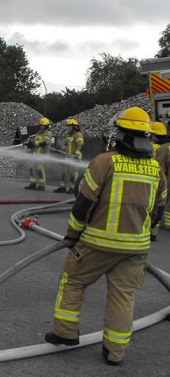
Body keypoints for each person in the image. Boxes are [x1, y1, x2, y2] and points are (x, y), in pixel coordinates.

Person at [44, 107, 166, 366]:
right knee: (123, 296)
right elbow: (159, 210)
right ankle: (115, 351)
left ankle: (65, 332)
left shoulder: (104, 162)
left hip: (98, 244)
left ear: (121, 135)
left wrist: (73, 234)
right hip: (136, 249)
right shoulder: (156, 169)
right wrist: (142, 233)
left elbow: (83, 204)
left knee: (73, 281)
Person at [150, 120, 170, 241]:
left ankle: (153, 231)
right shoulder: (165, 147)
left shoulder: (154, 147)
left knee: (155, 202)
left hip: (153, 176)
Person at [54, 118, 85, 194]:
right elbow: (65, 146)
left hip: (74, 157)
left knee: (73, 173)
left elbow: (80, 146)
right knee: (64, 172)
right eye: (68, 126)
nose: (68, 128)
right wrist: (60, 150)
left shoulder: (78, 135)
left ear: (74, 127)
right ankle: (63, 187)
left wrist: (76, 155)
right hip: (67, 157)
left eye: (69, 126)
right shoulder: (69, 136)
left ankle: (73, 187)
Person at [25, 117, 52, 191]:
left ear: (46, 126)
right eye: (41, 125)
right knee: (31, 167)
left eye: (43, 125)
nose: (41, 127)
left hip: (43, 155)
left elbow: (44, 143)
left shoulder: (48, 134)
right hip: (35, 154)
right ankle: (32, 184)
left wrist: (34, 143)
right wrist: (30, 145)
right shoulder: (38, 133)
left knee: (39, 169)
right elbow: (35, 143)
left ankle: (41, 185)